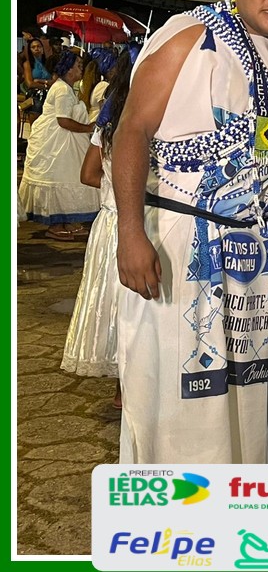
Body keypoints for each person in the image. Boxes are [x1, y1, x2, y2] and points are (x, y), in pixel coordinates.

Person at [112, 0, 268, 463]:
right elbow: (132, 130)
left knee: (242, 393)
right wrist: (130, 232)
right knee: (179, 390)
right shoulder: (189, 35)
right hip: (182, 240)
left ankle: (234, 496)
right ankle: (173, 503)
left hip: (251, 250)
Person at [61, 49, 134, 409]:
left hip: (110, 222)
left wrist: (112, 191)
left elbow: (89, 174)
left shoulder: (108, 123)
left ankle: (124, 389)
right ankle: (130, 388)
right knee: (130, 305)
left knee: (115, 304)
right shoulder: (140, 125)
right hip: (130, 222)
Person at [18, 48, 99, 240]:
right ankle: (56, 225)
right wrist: (88, 128)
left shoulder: (66, 88)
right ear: (68, 69)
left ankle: (66, 221)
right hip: (56, 142)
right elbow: (63, 121)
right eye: (78, 65)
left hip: (62, 140)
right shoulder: (62, 90)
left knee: (68, 177)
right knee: (59, 176)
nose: (81, 69)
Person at [20, 38, 52, 122]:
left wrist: (40, 81)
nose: (36, 48)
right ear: (30, 50)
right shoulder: (28, 64)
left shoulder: (48, 63)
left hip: (49, 94)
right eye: (33, 47)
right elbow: (30, 83)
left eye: (39, 46)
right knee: (36, 123)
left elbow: (54, 80)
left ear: (42, 48)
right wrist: (46, 85)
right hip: (35, 95)